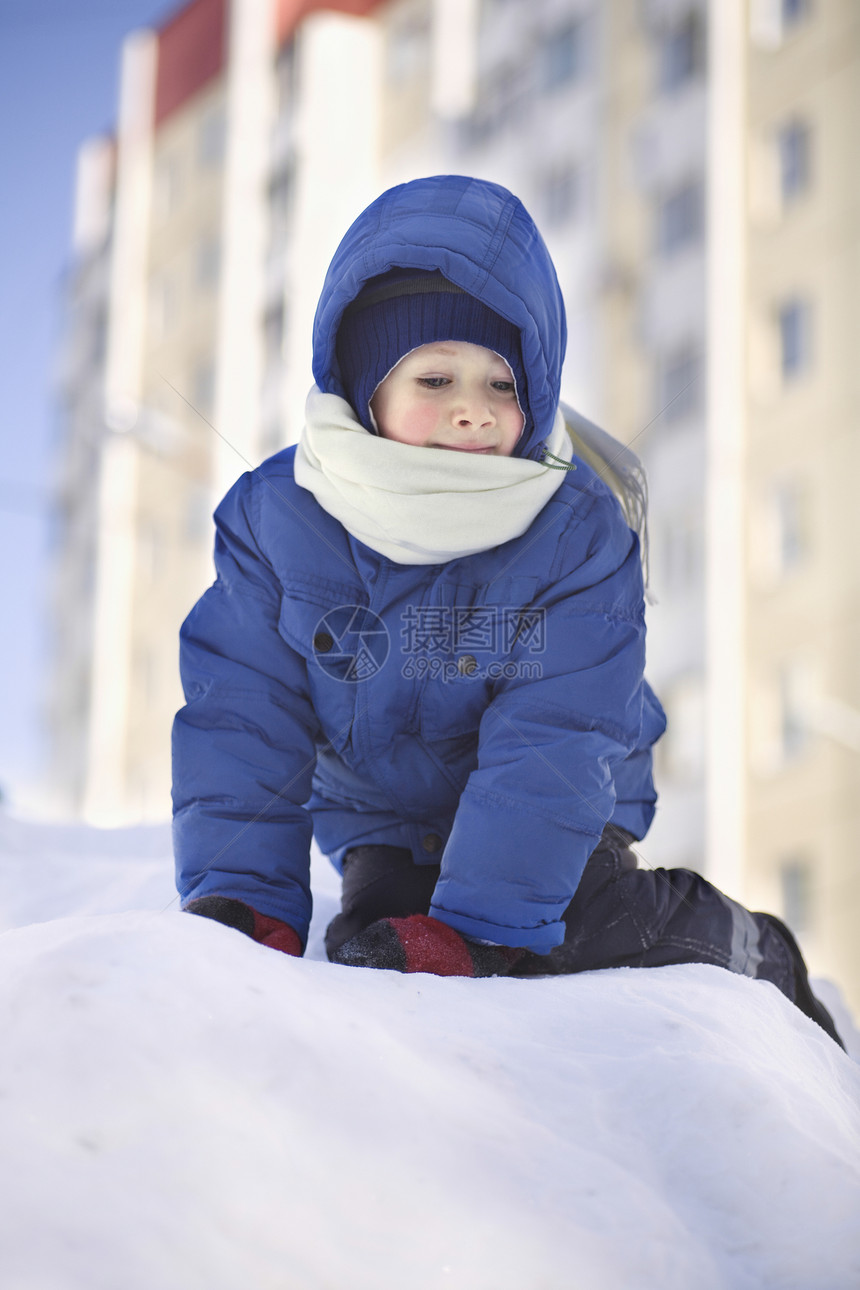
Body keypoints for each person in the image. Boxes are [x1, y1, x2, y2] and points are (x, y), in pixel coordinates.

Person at [173, 175, 842, 1046]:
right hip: (385, 816)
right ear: (364, 388)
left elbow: (556, 735)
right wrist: (246, 904)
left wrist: (480, 929)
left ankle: (751, 950)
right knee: (375, 951)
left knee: (579, 928)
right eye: (435, 376)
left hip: (561, 803)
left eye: (501, 382)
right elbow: (243, 719)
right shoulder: (278, 520)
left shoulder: (572, 534)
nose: (471, 409)